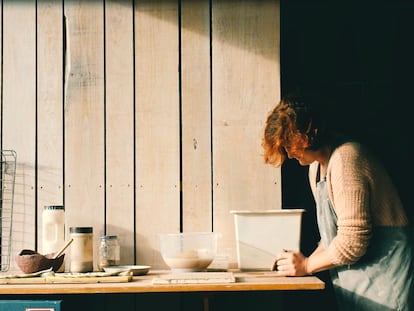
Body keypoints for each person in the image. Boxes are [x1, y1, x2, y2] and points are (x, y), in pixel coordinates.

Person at [262, 94, 414, 311]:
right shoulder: (316, 168)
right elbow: (332, 237)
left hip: (386, 279)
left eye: (288, 145)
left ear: (304, 137)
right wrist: (299, 264)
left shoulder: (347, 158)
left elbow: (352, 242)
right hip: (360, 281)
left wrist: (306, 266)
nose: (288, 153)